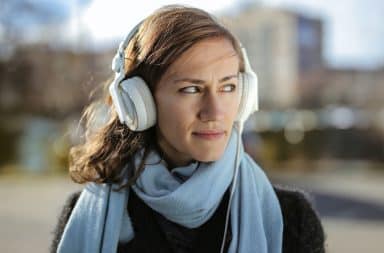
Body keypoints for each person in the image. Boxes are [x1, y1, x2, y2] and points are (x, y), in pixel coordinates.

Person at [51, 5, 325, 253]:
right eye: (191, 89)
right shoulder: (85, 216)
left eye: (228, 87)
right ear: (139, 103)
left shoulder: (291, 218)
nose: (215, 111)